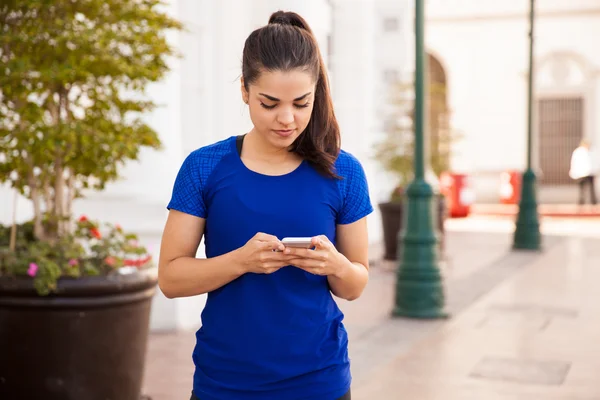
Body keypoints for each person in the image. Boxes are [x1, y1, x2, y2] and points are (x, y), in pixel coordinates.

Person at [158, 10, 373, 400]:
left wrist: (335, 265)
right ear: (244, 90)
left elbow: (355, 284)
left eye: (301, 103)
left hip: (319, 382)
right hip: (225, 383)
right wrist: (241, 261)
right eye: (270, 103)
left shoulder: (344, 171)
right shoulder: (204, 167)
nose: (287, 119)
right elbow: (170, 279)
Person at [569, 140, 597, 205]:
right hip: (580, 173)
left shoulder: (592, 151)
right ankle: (581, 202)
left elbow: (595, 162)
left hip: (590, 173)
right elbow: (574, 162)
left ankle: (593, 202)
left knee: (591, 189)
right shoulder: (578, 152)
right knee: (582, 188)